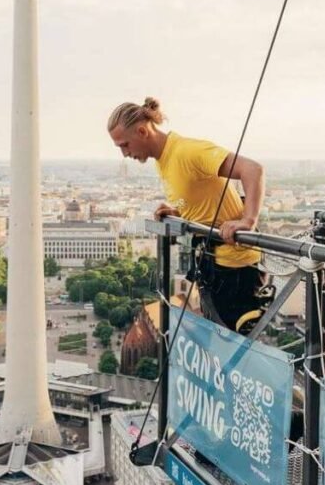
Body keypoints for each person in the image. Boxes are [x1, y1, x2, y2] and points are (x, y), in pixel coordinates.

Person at [107, 97, 273, 334]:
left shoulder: (187, 151)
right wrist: (179, 212)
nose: (124, 153)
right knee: (221, 345)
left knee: (236, 348)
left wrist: (248, 220)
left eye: (124, 145)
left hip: (237, 269)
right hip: (214, 265)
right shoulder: (164, 160)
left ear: (142, 131)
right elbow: (202, 198)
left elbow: (253, 169)